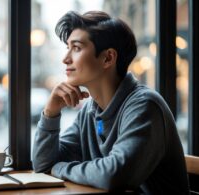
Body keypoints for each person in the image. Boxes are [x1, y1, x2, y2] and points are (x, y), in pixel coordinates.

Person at [32, 11, 189, 194]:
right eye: (68, 47)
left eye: (76, 48)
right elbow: (43, 165)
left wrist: (60, 169)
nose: (65, 58)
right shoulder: (89, 112)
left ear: (108, 58)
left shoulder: (144, 106)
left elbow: (115, 174)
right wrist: (50, 113)